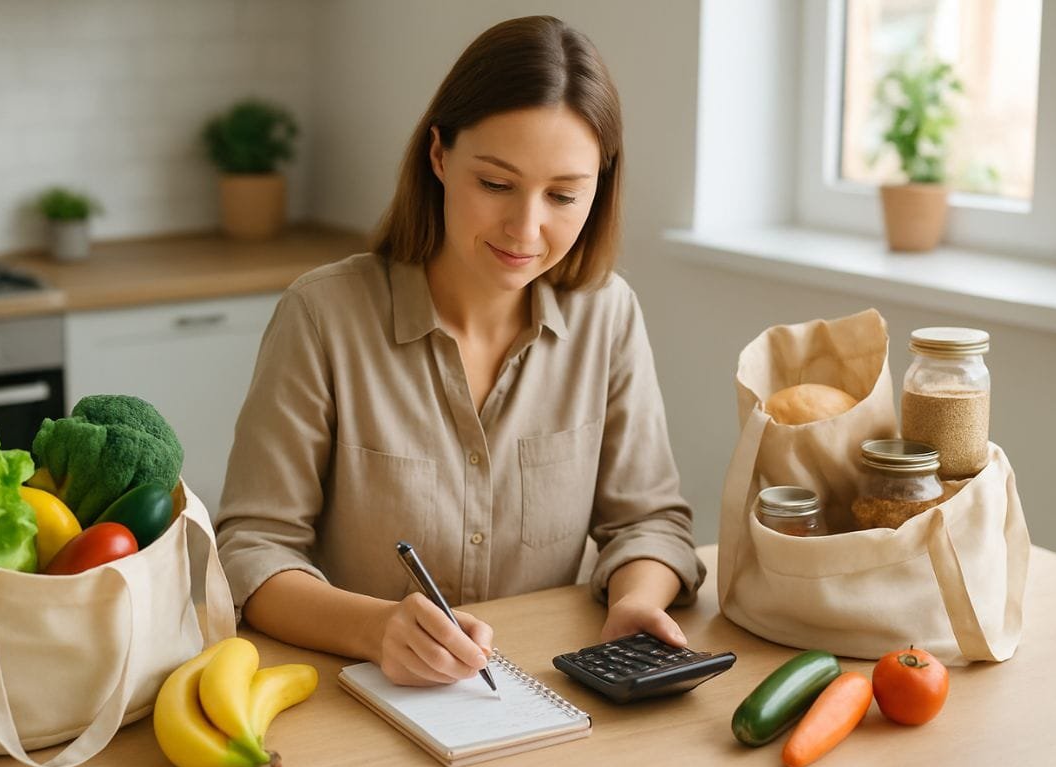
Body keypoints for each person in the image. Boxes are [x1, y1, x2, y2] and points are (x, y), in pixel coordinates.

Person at [216, 15, 705, 688]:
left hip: (542, 692)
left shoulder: (608, 314)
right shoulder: (323, 316)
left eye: (563, 194)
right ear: (439, 155)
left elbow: (649, 522)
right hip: (364, 695)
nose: (526, 228)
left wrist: (634, 602)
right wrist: (374, 627)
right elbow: (252, 549)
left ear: (600, 184)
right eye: (497, 184)